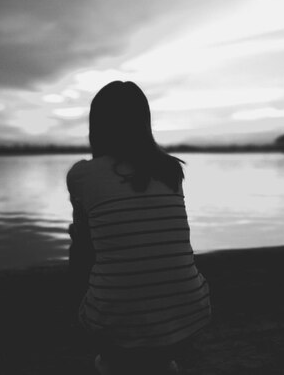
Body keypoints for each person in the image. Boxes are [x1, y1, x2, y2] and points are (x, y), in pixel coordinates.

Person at [66, 81, 211, 374]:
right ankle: (160, 359)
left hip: (114, 331)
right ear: (144, 123)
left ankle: (112, 358)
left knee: (81, 243)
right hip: (191, 315)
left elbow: (85, 249)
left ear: (97, 126)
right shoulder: (170, 169)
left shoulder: (83, 175)